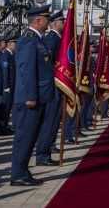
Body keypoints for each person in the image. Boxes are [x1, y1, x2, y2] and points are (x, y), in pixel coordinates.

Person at [10, 5, 53, 187]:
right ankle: (17, 173)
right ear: (37, 20)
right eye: (46, 19)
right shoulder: (29, 40)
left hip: (38, 97)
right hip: (29, 99)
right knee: (25, 136)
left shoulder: (38, 40)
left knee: (30, 136)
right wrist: (31, 96)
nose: (48, 22)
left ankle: (22, 170)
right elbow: (27, 71)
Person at [34, 11, 65, 165]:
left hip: (58, 86)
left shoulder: (59, 39)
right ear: (54, 23)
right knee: (50, 121)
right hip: (52, 86)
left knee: (54, 121)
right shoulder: (52, 39)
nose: (64, 24)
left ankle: (47, 148)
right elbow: (49, 65)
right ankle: (42, 155)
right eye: (61, 21)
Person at [0, 39, 16, 136]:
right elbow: (5, 72)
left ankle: (5, 126)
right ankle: (2, 128)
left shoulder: (11, 55)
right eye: (15, 44)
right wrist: (6, 86)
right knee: (5, 108)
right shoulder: (6, 55)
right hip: (7, 87)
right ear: (9, 45)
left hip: (11, 86)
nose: (16, 46)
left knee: (8, 108)